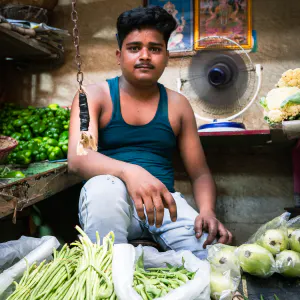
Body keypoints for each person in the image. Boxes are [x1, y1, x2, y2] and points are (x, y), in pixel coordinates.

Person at [68, 6, 232, 259]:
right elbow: (80, 157)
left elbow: (199, 173)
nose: (145, 56)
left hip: (165, 205)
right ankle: (105, 273)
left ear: (166, 56)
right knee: (103, 186)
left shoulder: (178, 105)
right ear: (119, 55)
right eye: (134, 48)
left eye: (154, 49)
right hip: (111, 203)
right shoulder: (92, 96)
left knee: (215, 258)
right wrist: (129, 171)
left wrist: (208, 212)